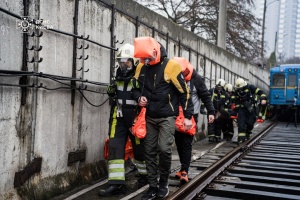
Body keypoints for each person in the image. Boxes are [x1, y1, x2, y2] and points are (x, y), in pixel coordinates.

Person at [131, 37, 193, 200]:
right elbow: (135, 89)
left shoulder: (171, 66)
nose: (146, 61)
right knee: (149, 151)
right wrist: (139, 98)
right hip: (150, 116)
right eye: (143, 59)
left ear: (155, 52)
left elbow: (184, 92)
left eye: (148, 58)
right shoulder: (140, 67)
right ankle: (152, 186)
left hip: (167, 116)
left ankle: (163, 183)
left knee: (164, 148)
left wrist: (187, 116)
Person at [98, 43, 147, 197]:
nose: (124, 65)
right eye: (121, 62)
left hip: (135, 120)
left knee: (140, 151)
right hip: (117, 118)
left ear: (134, 62)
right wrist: (112, 86)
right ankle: (116, 184)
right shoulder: (117, 76)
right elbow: (111, 93)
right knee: (114, 148)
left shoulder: (140, 78)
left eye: (127, 62)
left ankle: (145, 178)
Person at [173, 57, 215, 184]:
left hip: (191, 117)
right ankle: (182, 167)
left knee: (186, 143)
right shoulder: (174, 78)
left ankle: (185, 170)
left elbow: (206, 96)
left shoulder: (196, 79)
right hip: (176, 116)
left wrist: (211, 112)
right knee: (179, 143)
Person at [232, 78, 267, 143]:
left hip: (251, 109)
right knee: (241, 124)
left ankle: (248, 133)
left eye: (241, 88)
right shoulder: (236, 91)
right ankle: (241, 139)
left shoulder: (251, 88)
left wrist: (263, 99)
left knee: (250, 123)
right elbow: (232, 99)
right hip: (241, 110)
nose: (240, 90)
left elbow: (261, 93)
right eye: (238, 88)